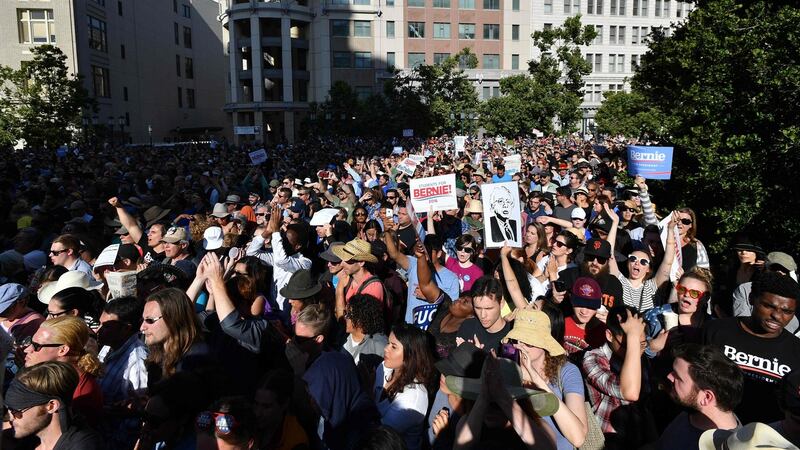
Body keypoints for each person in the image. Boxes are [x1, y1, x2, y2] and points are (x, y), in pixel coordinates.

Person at [703, 271, 800, 423]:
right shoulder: (715, 331)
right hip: (709, 431)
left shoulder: (796, 351)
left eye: (787, 311)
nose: (777, 316)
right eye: (769, 306)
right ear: (751, 299)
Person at [289, 304, 379, 450]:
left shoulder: (319, 371)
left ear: (319, 339)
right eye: (294, 335)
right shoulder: (341, 355)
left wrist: (298, 373)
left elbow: (308, 414)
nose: (294, 342)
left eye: (300, 340)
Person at [504, 309, 589, 449]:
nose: (520, 347)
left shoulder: (567, 372)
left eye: (528, 343)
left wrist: (536, 379)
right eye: (515, 340)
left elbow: (578, 438)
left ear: (545, 344)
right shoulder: (508, 369)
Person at [583, 306, 656, 448]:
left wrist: (655, 442)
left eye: (641, 344)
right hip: (607, 442)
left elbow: (645, 407)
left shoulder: (642, 358)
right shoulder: (593, 358)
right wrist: (634, 337)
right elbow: (629, 392)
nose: (636, 351)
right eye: (629, 343)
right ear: (609, 335)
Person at [655, 344, 743, 450]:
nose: (669, 377)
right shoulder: (691, 412)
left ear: (706, 397)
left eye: (678, 377)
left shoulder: (723, 446)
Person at [22, 316, 105, 426]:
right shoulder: (54, 374)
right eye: (30, 342)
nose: (27, 349)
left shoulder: (81, 394)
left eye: (37, 346)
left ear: (62, 350)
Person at [6, 361, 103, 449]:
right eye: (8, 409)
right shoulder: (28, 436)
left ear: (51, 406)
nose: (11, 418)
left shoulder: (82, 446)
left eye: (16, 411)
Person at [96, 296, 148, 449]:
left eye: (106, 326)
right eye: (100, 324)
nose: (98, 331)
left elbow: (137, 413)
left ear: (126, 328)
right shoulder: (108, 346)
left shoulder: (137, 362)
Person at [374, 323, 436, 450]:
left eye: (394, 347)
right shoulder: (384, 367)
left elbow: (380, 434)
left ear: (410, 355)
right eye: (388, 343)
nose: (386, 349)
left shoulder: (413, 397)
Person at [140, 287, 212, 384]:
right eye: (142, 320)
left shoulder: (196, 359)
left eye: (150, 320)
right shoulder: (157, 353)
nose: (142, 327)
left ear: (173, 319)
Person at [253, 369, 310, 450]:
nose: (257, 413)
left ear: (284, 404)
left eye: (266, 407)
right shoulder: (252, 424)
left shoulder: (296, 442)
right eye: (256, 404)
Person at [455, 276, 512, 353]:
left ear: (501, 303)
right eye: (478, 308)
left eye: (489, 308)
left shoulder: (512, 337)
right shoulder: (468, 326)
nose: (483, 315)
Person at [563, 277, 607, 360]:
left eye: (590, 306)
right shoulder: (561, 324)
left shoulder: (606, 332)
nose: (584, 311)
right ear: (571, 300)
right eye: (579, 304)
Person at [342, 293, 388, 371]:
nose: (345, 317)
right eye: (345, 313)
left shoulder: (379, 346)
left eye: (348, 314)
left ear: (362, 319)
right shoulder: (341, 338)